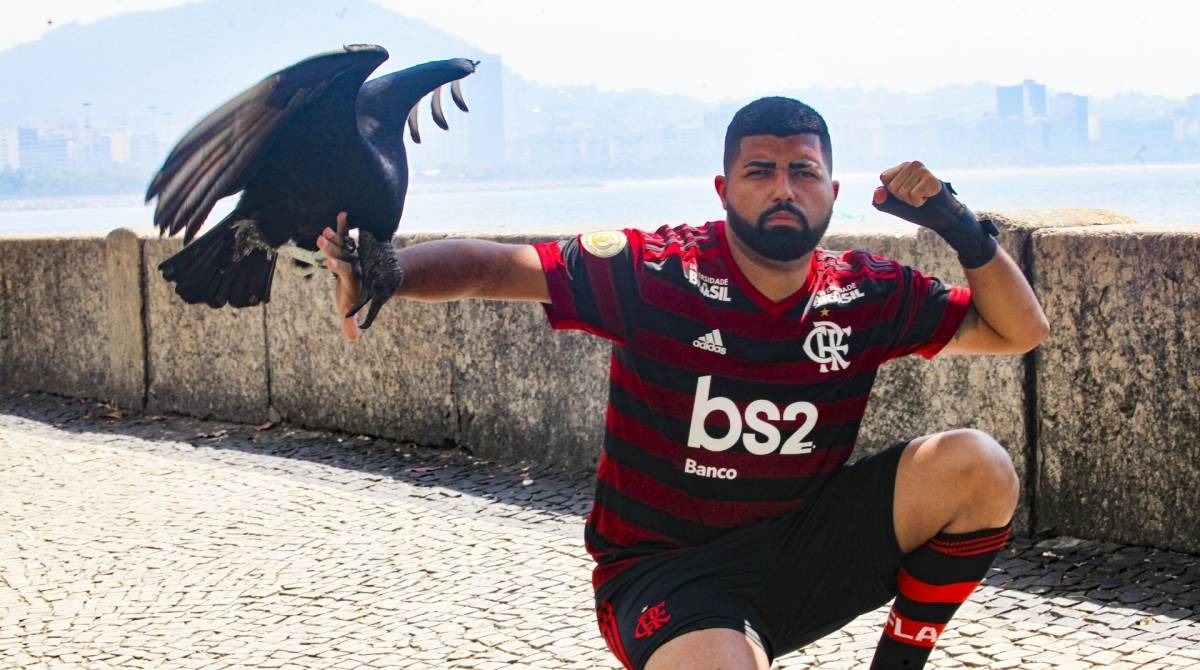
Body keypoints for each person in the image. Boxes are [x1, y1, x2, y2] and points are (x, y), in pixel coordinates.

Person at [315, 96, 1048, 670]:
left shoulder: (866, 291)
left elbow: (1021, 330)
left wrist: (956, 222)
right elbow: (499, 268)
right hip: (667, 574)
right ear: (725, 188)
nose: (784, 189)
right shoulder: (657, 269)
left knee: (978, 467)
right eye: (761, 172)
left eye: (804, 172)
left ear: (833, 191)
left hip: (802, 546)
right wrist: (389, 272)